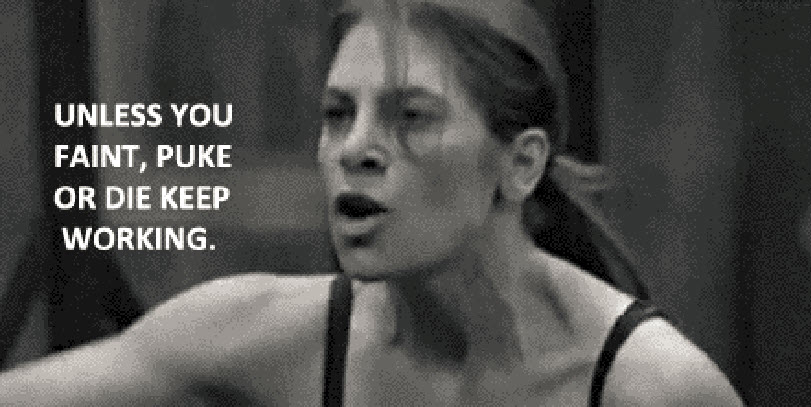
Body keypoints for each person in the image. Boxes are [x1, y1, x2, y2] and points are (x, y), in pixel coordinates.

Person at [0, 0, 744, 405]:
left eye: (411, 116)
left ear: (519, 166)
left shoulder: (653, 387)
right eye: (336, 115)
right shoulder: (269, 337)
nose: (355, 148)